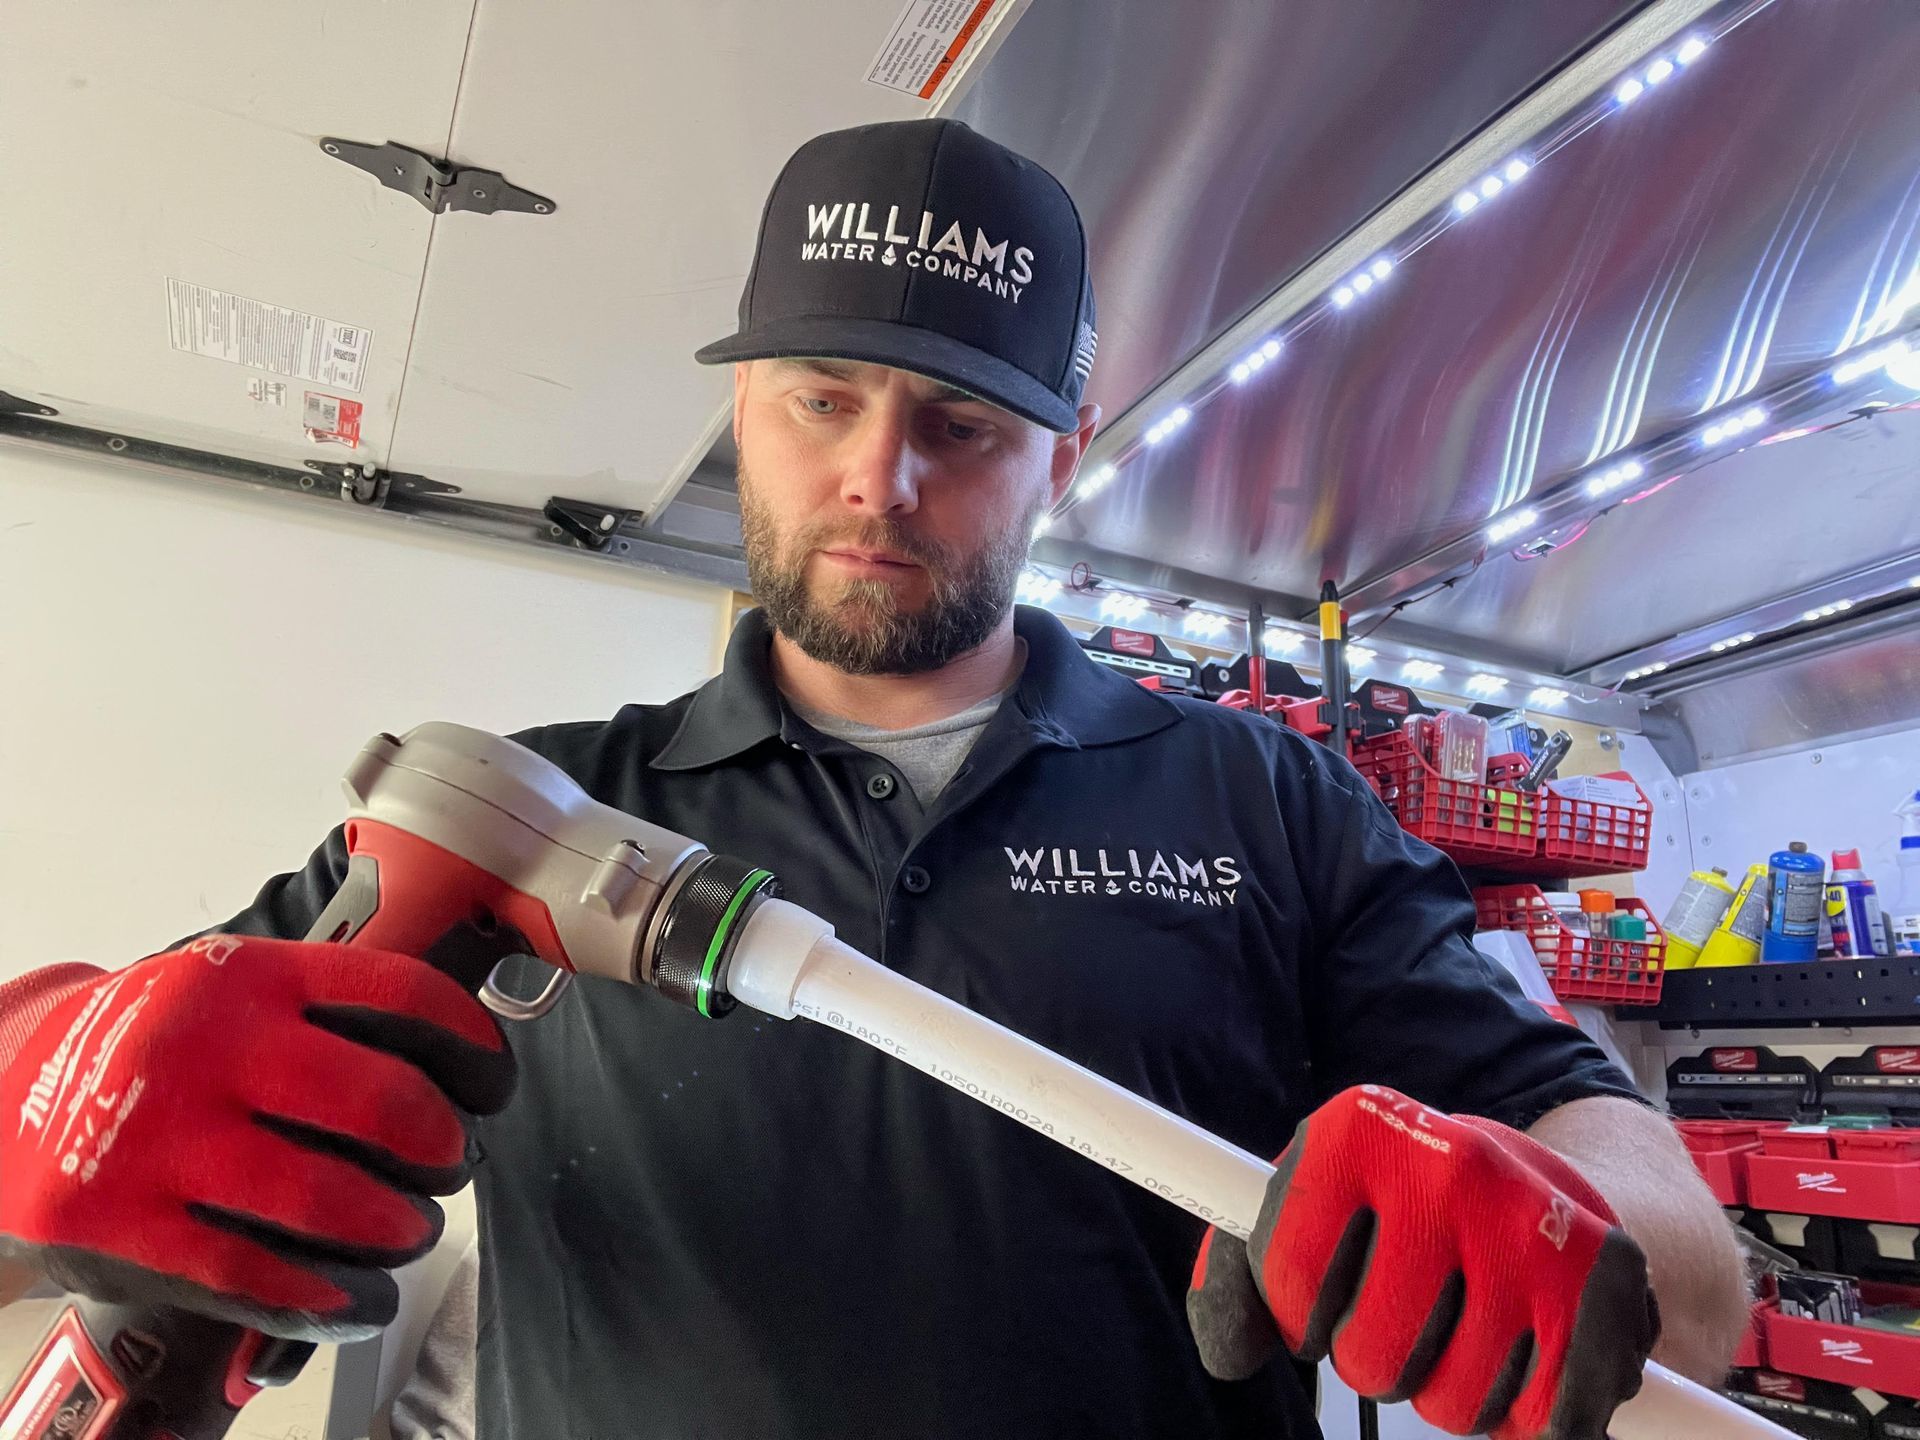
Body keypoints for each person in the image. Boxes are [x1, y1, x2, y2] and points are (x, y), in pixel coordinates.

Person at [0, 119, 1745, 1440]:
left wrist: (1563, 1217)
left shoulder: (1262, 806)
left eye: (961, 430)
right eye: (819, 399)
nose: (877, 479)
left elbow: (1703, 1285)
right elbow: (72, 1150)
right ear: (746, 400)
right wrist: (39, 1097)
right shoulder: (520, 813)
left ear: (1063, 453)